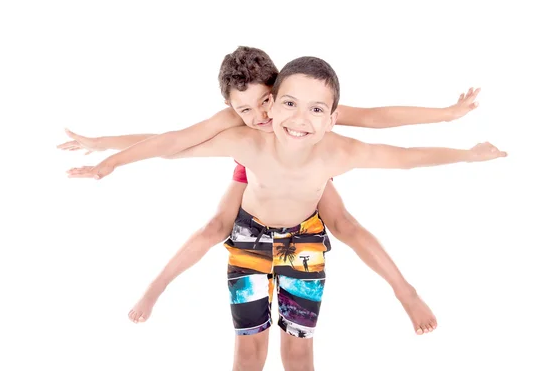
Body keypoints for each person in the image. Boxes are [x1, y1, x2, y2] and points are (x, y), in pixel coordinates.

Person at [63, 54, 505, 371]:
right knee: (217, 233)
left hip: (305, 206)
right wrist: (107, 153)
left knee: (342, 226)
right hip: (254, 191)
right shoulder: (242, 133)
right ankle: (156, 287)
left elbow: (386, 132)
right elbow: (170, 142)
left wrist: (455, 129)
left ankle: (404, 290)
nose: (259, 114)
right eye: (247, 110)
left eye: (268, 103)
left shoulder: (312, 117)